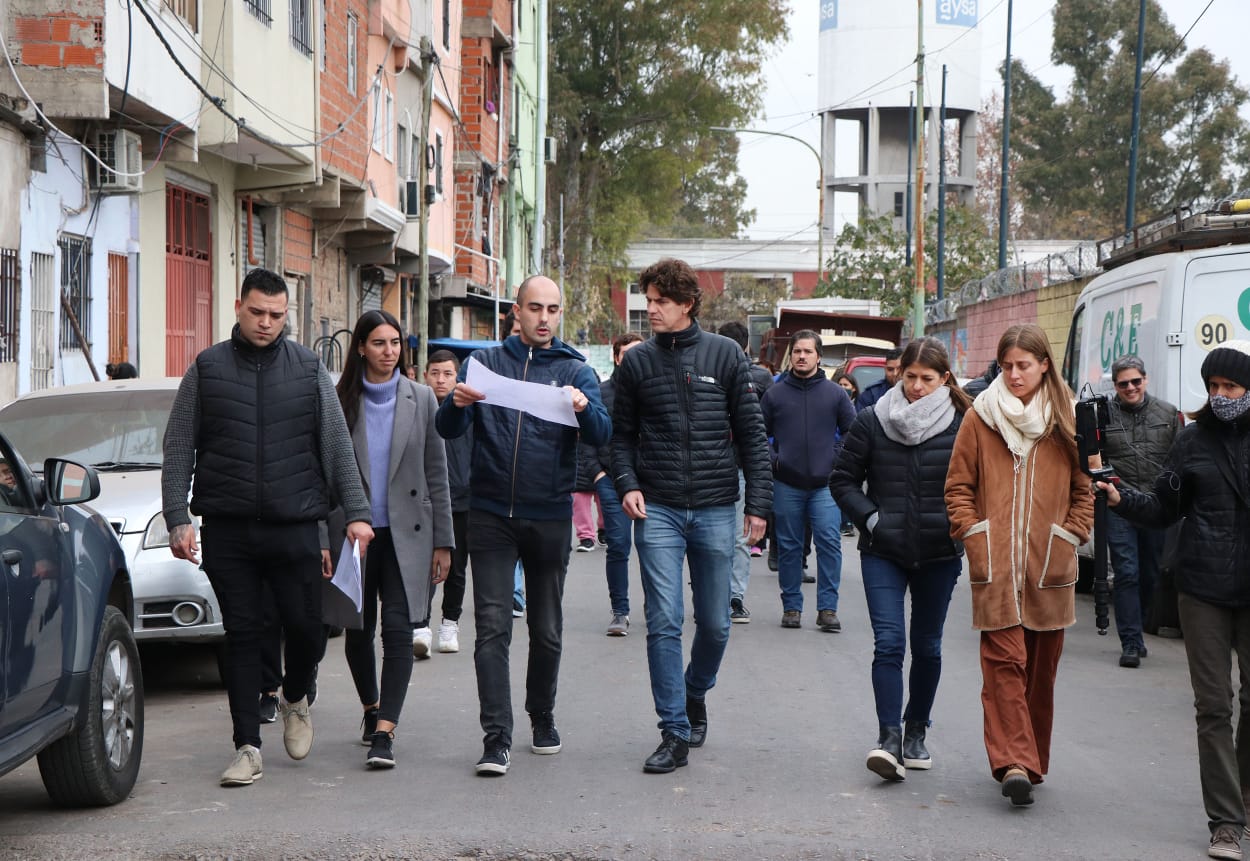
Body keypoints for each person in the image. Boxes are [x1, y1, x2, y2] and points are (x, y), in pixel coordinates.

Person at [162, 267, 373, 788]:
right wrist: (177, 517)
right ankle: (247, 747)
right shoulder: (207, 368)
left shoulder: (307, 369)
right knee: (243, 634)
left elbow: (336, 445)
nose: (265, 323)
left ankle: (296, 695)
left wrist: (357, 513)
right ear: (238, 307)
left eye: (276, 315)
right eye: (257, 312)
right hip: (229, 527)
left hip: (294, 524)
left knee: (305, 628)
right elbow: (179, 444)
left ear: (286, 316)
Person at [436, 275, 610, 776]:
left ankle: (542, 713)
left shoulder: (575, 370)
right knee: (491, 627)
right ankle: (496, 737)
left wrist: (584, 408)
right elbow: (447, 428)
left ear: (560, 313)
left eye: (552, 309)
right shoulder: (486, 363)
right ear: (517, 310)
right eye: (535, 307)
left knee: (546, 629)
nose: (544, 318)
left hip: (549, 514)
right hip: (491, 512)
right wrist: (456, 404)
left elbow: (602, 433)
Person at [611, 258, 771, 774]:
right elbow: (619, 436)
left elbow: (753, 436)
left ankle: (695, 691)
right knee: (664, 620)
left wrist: (758, 505)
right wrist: (627, 483)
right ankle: (674, 731)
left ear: (687, 303)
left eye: (660, 301)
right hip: (656, 507)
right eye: (648, 301)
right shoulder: (636, 363)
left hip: (717, 505)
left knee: (717, 624)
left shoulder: (725, 355)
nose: (651, 310)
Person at [1096, 340, 1250, 861]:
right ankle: (1226, 822)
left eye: (1231, 386)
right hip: (1202, 587)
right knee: (1214, 705)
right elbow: (1164, 507)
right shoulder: (1192, 441)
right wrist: (1121, 498)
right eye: (1214, 386)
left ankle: (1244, 794)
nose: (1221, 395)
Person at [944, 323, 1092, 807]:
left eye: (1023, 366)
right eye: (1006, 366)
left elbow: (1085, 489)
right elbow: (958, 487)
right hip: (996, 566)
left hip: (1049, 565)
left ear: (1044, 365)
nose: (1013, 375)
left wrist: (1071, 534)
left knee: (1039, 675)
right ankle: (1013, 763)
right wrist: (973, 534)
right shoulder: (980, 417)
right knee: (1003, 665)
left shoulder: (1067, 419)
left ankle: (1030, 761)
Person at [830, 337, 970, 782]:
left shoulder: (965, 422)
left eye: (927, 379)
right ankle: (888, 738)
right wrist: (872, 519)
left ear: (945, 378)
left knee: (927, 645)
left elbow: (981, 482)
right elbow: (842, 479)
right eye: (910, 376)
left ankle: (916, 732)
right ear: (899, 374)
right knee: (889, 643)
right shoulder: (873, 419)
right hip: (883, 550)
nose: (917, 387)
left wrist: (960, 525)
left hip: (940, 552)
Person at [334, 310, 453, 769]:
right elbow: (326, 474)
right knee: (358, 630)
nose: (389, 352)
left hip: (410, 535)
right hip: (356, 535)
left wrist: (444, 541)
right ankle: (370, 707)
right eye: (379, 343)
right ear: (362, 348)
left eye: (396, 343)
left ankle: (385, 730)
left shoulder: (421, 398)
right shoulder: (341, 400)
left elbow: (437, 473)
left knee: (399, 631)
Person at [761, 329, 855, 632]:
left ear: (818, 356)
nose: (802, 356)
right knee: (789, 547)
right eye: (797, 351)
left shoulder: (836, 394)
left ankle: (828, 609)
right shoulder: (774, 394)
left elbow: (853, 432)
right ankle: (791, 607)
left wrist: (835, 456)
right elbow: (758, 433)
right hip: (786, 483)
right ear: (791, 355)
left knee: (829, 543)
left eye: (808, 351)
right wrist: (774, 458)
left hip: (825, 485)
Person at [1099, 355, 1181, 668]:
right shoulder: (1103, 416)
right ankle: (1131, 642)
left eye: (1136, 381)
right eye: (1124, 384)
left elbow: (1181, 459)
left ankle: (1141, 624)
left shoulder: (1168, 413)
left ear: (1145, 380)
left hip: (1156, 507)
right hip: (1119, 505)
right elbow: (1094, 460)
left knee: (1150, 574)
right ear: (1115, 386)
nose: (1131, 388)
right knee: (1127, 573)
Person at [583, 331, 644, 636]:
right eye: (627, 354)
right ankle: (620, 611)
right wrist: (597, 474)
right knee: (618, 546)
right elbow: (586, 435)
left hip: (652, 481)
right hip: (612, 480)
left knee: (654, 548)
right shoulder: (601, 392)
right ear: (616, 358)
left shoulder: (653, 389)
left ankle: (658, 608)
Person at [718, 320, 773, 622]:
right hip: (714, 468)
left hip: (739, 467)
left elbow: (764, 429)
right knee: (716, 540)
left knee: (740, 538)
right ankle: (716, 596)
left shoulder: (760, 379)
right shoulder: (708, 373)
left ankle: (734, 597)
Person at [424, 349, 471, 654]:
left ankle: (449, 623)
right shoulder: (417, 407)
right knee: (422, 566)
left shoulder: (468, 411)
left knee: (456, 566)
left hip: (462, 501)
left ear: (457, 378)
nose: (441, 380)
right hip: (424, 502)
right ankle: (420, 623)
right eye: (435, 373)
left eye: (448, 374)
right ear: (425, 375)